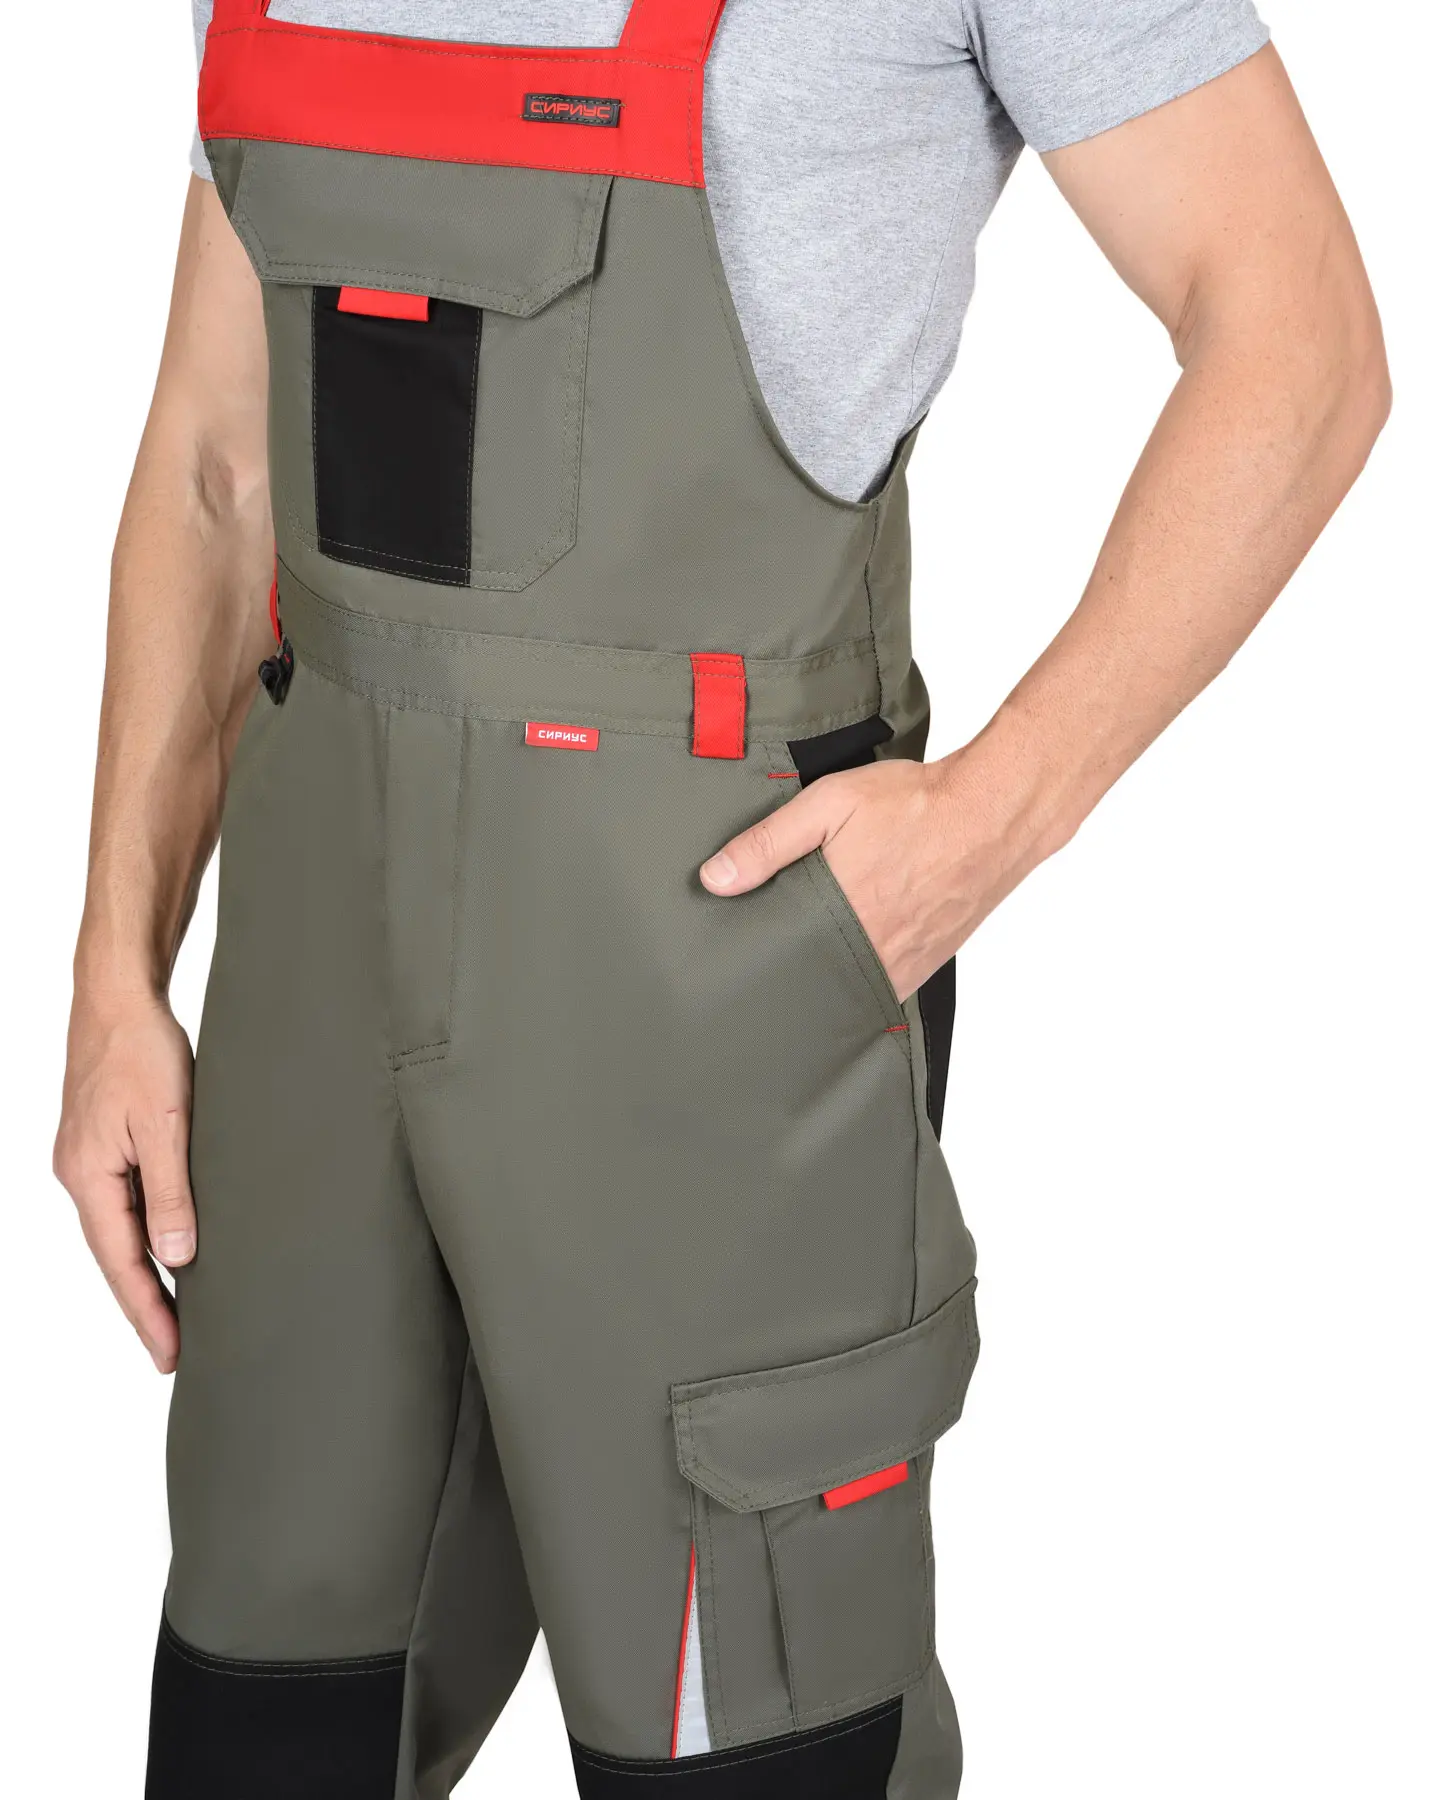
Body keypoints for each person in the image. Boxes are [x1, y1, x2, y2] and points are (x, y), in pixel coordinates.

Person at [53, 3, 1387, 1796]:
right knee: (263, 1723)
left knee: (752, 1747)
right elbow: (219, 468)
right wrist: (116, 965)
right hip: (304, 970)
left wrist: (990, 821)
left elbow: (1300, 335)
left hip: (706, 953)